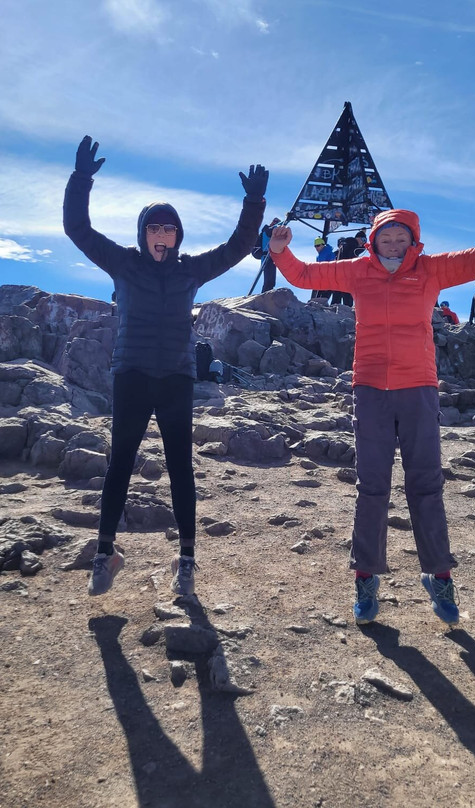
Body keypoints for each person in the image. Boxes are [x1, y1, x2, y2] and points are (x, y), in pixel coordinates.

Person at [267, 206, 475, 625]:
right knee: (372, 488)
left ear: (413, 241)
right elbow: (305, 275)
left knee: (426, 486)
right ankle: (365, 578)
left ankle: (439, 577)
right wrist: (280, 252)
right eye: (386, 238)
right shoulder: (356, 270)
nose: (393, 245)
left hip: (418, 388)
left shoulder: (431, 270)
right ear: (373, 240)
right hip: (370, 390)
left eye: (401, 238)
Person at [63, 135, 267, 597]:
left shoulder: (190, 270)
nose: (162, 235)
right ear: (143, 234)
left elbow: (237, 246)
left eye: (169, 229)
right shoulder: (122, 263)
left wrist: (254, 203)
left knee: (180, 468)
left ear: (178, 236)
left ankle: (186, 560)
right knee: (119, 464)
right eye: (154, 228)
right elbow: (78, 228)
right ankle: (105, 554)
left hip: (176, 377)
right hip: (132, 374)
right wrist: (81, 179)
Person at [252, 217, 282, 293]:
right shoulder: (267, 229)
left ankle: (268, 292)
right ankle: (265, 293)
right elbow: (270, 233)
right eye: (275, 221)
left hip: (271, 256)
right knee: (268, 278)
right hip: (266, 255)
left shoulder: (269, 230)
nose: (275, 223)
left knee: (271, 279)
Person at [310, 237, 336, 303]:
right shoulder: (319, 256)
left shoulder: (329, 254)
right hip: (322, 280)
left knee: (321, 300)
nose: (316, 248)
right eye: (315, 246)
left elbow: (331, 267)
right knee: (319, 300)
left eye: (318, 245)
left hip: (328, 280)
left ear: (323, 245)